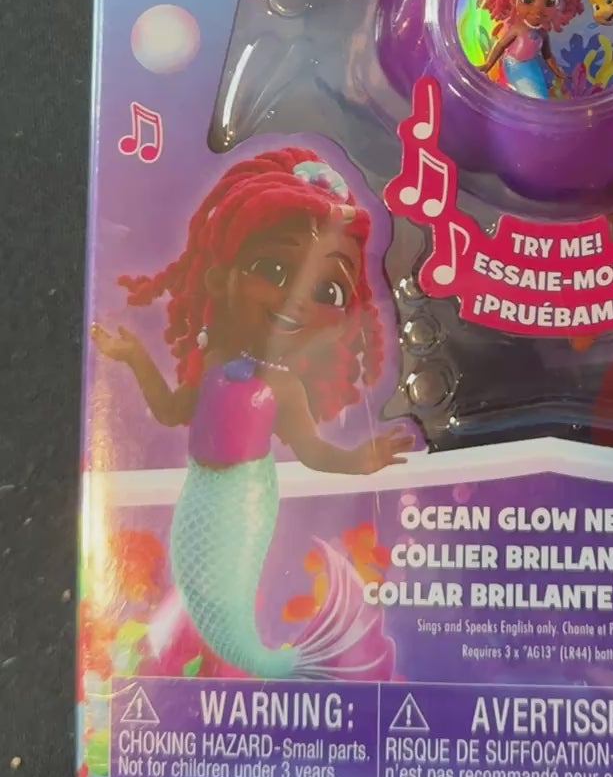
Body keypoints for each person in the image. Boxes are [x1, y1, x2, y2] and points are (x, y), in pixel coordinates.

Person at [90, 150, 411, 675]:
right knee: (198, 582)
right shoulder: (216, 365)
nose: (297, 299)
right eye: (273, 269)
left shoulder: (282, 386)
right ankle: (230, 657)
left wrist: (360, 460)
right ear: (222, 279)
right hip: (200, 496)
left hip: (245, 498)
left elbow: (314, 452)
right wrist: (134, 356)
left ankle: (260, 660)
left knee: (230, 590)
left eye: (326, 289)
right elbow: (170, 410)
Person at [473, 0, 584, 99]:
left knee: (539, 97)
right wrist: (488, 64)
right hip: (515, 65)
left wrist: (558, 72)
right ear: (514, 1)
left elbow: (547, 56)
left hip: (532, 66)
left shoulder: (542, 34)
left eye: (551, 1)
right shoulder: (517, 29)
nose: (538, 9)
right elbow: (500, 45)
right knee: (533, 97)